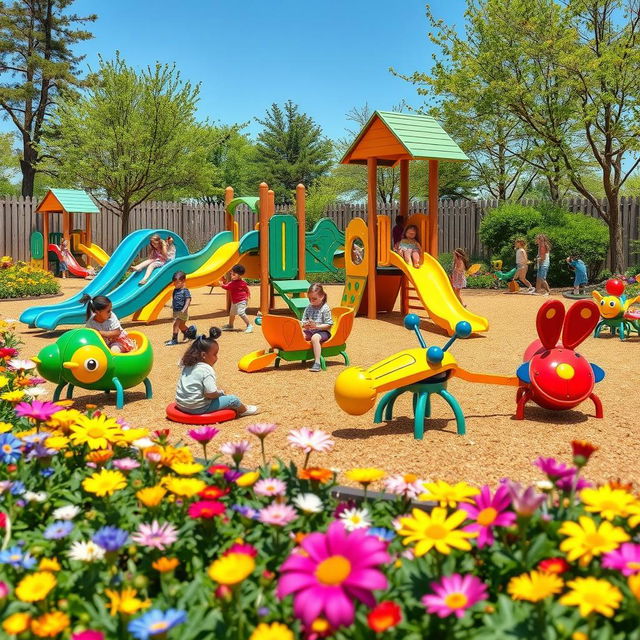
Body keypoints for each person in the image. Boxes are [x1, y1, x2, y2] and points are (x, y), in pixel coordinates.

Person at [175, 327, 258, 417]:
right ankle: (244, 410)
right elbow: (210, 393)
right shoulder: (206, 369)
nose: (217, 358)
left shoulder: (187, 363)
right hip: (197, 408)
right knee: (233, 400)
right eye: (215, 354)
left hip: (181, 404)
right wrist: (220, 393)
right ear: (203, 355)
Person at [301, 283, 333, 373]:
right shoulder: (308, 307)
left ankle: (317, 362)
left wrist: (317, 326)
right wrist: (305, 325)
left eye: (314, 299)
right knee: (300, 335)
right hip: (311, 330)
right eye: (309, 299)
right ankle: (300, 355)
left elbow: (329, 324)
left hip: (323, 332)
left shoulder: (325, 308)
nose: (311, 301)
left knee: (315, 338)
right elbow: (303, 321)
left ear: (322, 296)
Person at [165, 271, 197, 346]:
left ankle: (174, 340)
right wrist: (172, 305)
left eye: (177, 283)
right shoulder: (175, 290)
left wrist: (184, 309)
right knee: (181, 326)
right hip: (176, 311)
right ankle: (191, 332)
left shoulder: (185, 291)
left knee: (176, 324)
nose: (175, 285)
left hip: (182, 311)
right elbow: (175, 299)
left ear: (183, 281)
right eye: (174, 283)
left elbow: (188, 300)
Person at [219, 264, 252, 333]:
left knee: (241, 312)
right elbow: (228, 287)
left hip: (242, 301)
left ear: (239, 276)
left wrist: (222, 285)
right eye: (231, 274)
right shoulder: (233, 282)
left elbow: (227, 287)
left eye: (234, 275)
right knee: (232, 313)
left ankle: (249, 325)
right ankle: (230, 325)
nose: (232, 276)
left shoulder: (241, 283)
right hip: (235, 301)